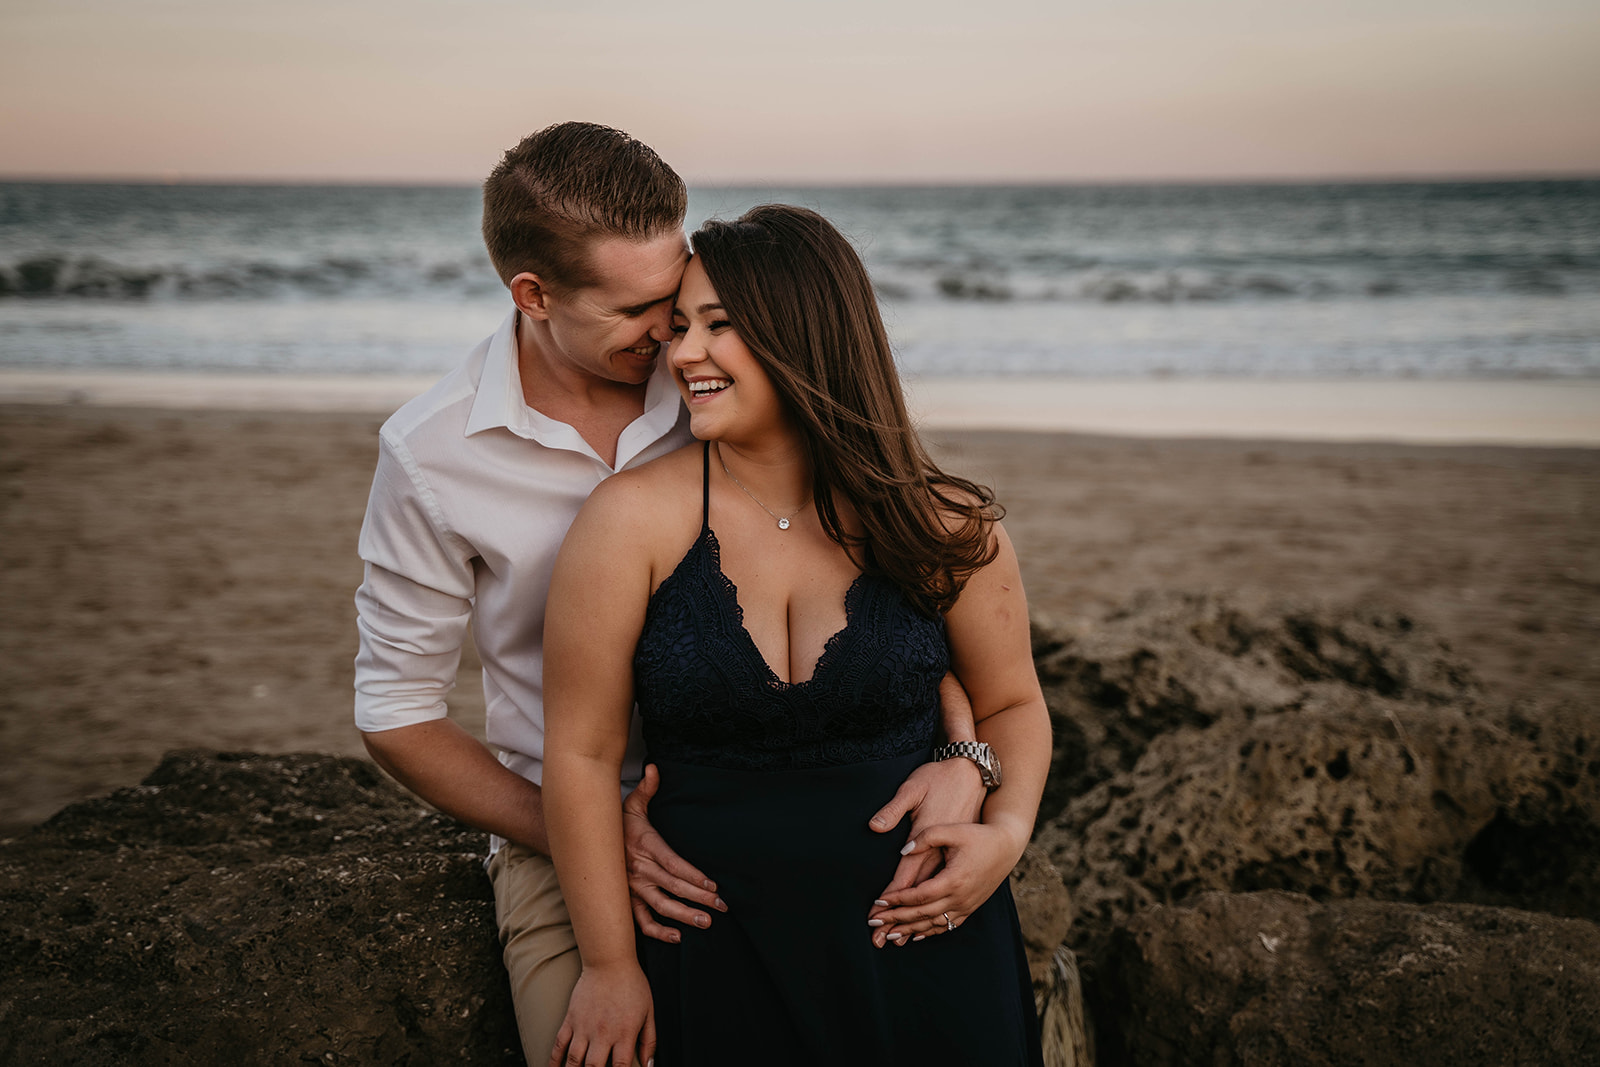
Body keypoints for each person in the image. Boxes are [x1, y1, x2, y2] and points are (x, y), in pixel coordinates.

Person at [352, 125, 988, 1064]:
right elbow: (396, 710)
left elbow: (890, 592)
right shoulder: (434, 452)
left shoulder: (718, 385)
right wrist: (587, 829)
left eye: (683, 293)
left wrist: (967, 749)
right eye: (645, 309)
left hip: (780, 788)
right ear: (533, 295)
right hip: (566, 825)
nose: (673, 332)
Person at [543, 204, 1051, 1066]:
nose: (684, 354)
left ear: (805, 335)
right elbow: (581, 755)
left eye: (719, 325)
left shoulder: (943, 523)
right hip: (709, 950)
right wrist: (609, 964)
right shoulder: (629, 520)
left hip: (921, 945)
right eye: (678, 328)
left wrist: (1001, 836)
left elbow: (1011, 701)